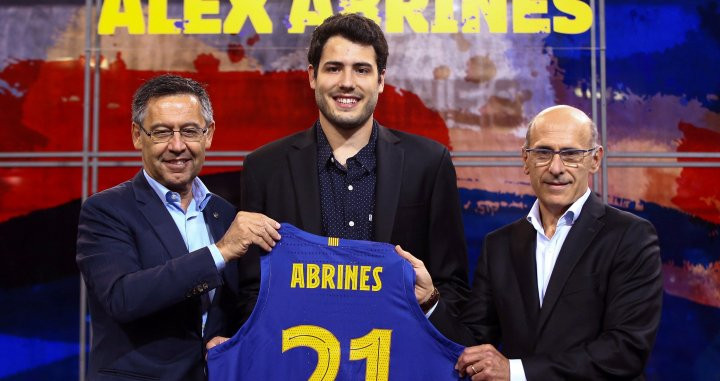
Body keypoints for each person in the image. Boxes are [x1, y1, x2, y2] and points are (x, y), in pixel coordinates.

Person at [398, 105, 663, 380]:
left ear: (594, 160)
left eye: (571, 154)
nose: (556, 168)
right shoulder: (499, 245)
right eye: (543, 153)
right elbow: (471, 346)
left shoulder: (630, 236)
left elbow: (625, 351)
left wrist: (516, 371)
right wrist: (430, 300)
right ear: (525, 160)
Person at [236, 13, 470, 324]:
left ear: (381, 79)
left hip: (398, 359)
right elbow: (252, 290)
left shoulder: (428, 163)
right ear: (312, 76)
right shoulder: (264, 168)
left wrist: (428, 301)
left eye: (362, 70)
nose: (347, 82)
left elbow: (452, 287)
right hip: (300, 358)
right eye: (334, 68)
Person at [76, 74, 280, 380]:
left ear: (208, 134)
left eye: (189, 131)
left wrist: (236, 341)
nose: (177, 145)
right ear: (137, 135)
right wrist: (220, 252)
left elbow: (233, 307)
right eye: (161, 133)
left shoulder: (224, 214)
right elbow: (122, 297)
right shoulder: (106, 210)